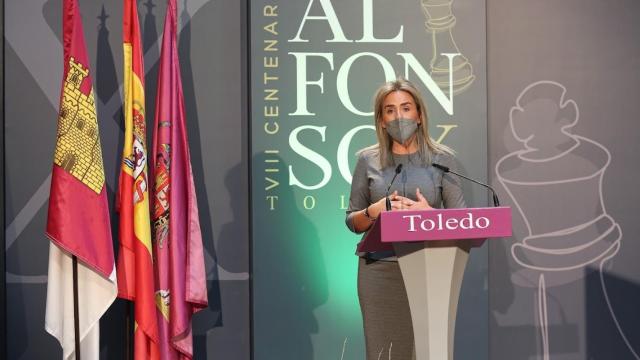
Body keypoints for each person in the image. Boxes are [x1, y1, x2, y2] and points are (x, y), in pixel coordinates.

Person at [345, 77, 466, 359]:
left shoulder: (443, 160)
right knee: (383, 352)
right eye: (390, 110)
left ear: (420, 115)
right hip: (379, 271)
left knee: (427, 352)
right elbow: (352, 221)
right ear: (382, 121)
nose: (399, 116)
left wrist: (431, 217)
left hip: (429, 269)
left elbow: (462, 222)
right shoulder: (367, 160)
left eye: (406, 108)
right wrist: (374, 211)